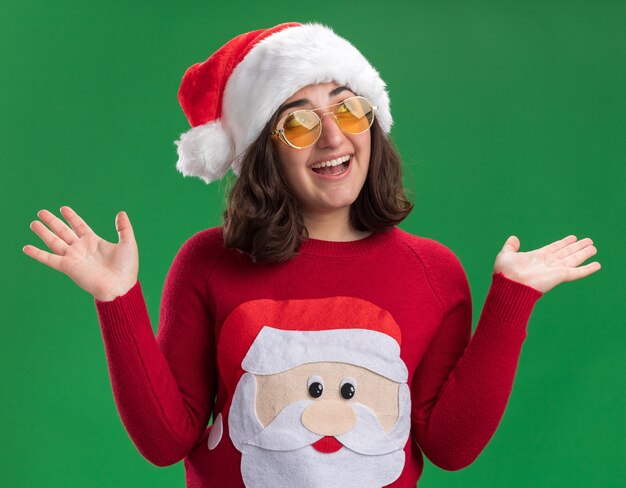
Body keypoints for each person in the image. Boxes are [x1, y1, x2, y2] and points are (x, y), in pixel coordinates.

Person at [23, 22, 601, 488]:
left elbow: (450, 448)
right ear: (262, 153)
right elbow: (165, 443)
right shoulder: (208, 263)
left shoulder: (433, 273)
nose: (332, 137)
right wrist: (117, 298)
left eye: (348, 111)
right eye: (298, 122)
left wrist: (512, 300)